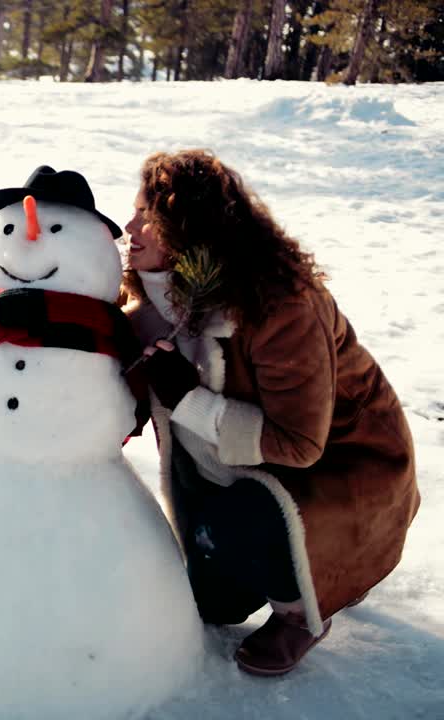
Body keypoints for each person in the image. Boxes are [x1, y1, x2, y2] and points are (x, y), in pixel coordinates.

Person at [123, 149, 419, 676]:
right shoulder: (147, 302)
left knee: (233, 528)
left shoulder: (280, 305)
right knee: (210, 606)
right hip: (232, 478)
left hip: (340, 474)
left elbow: (301, 444)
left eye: (149, 214)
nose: (131, 227)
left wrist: (188, 398)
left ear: (191, 227)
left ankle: (303, 614)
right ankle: (251, 550)